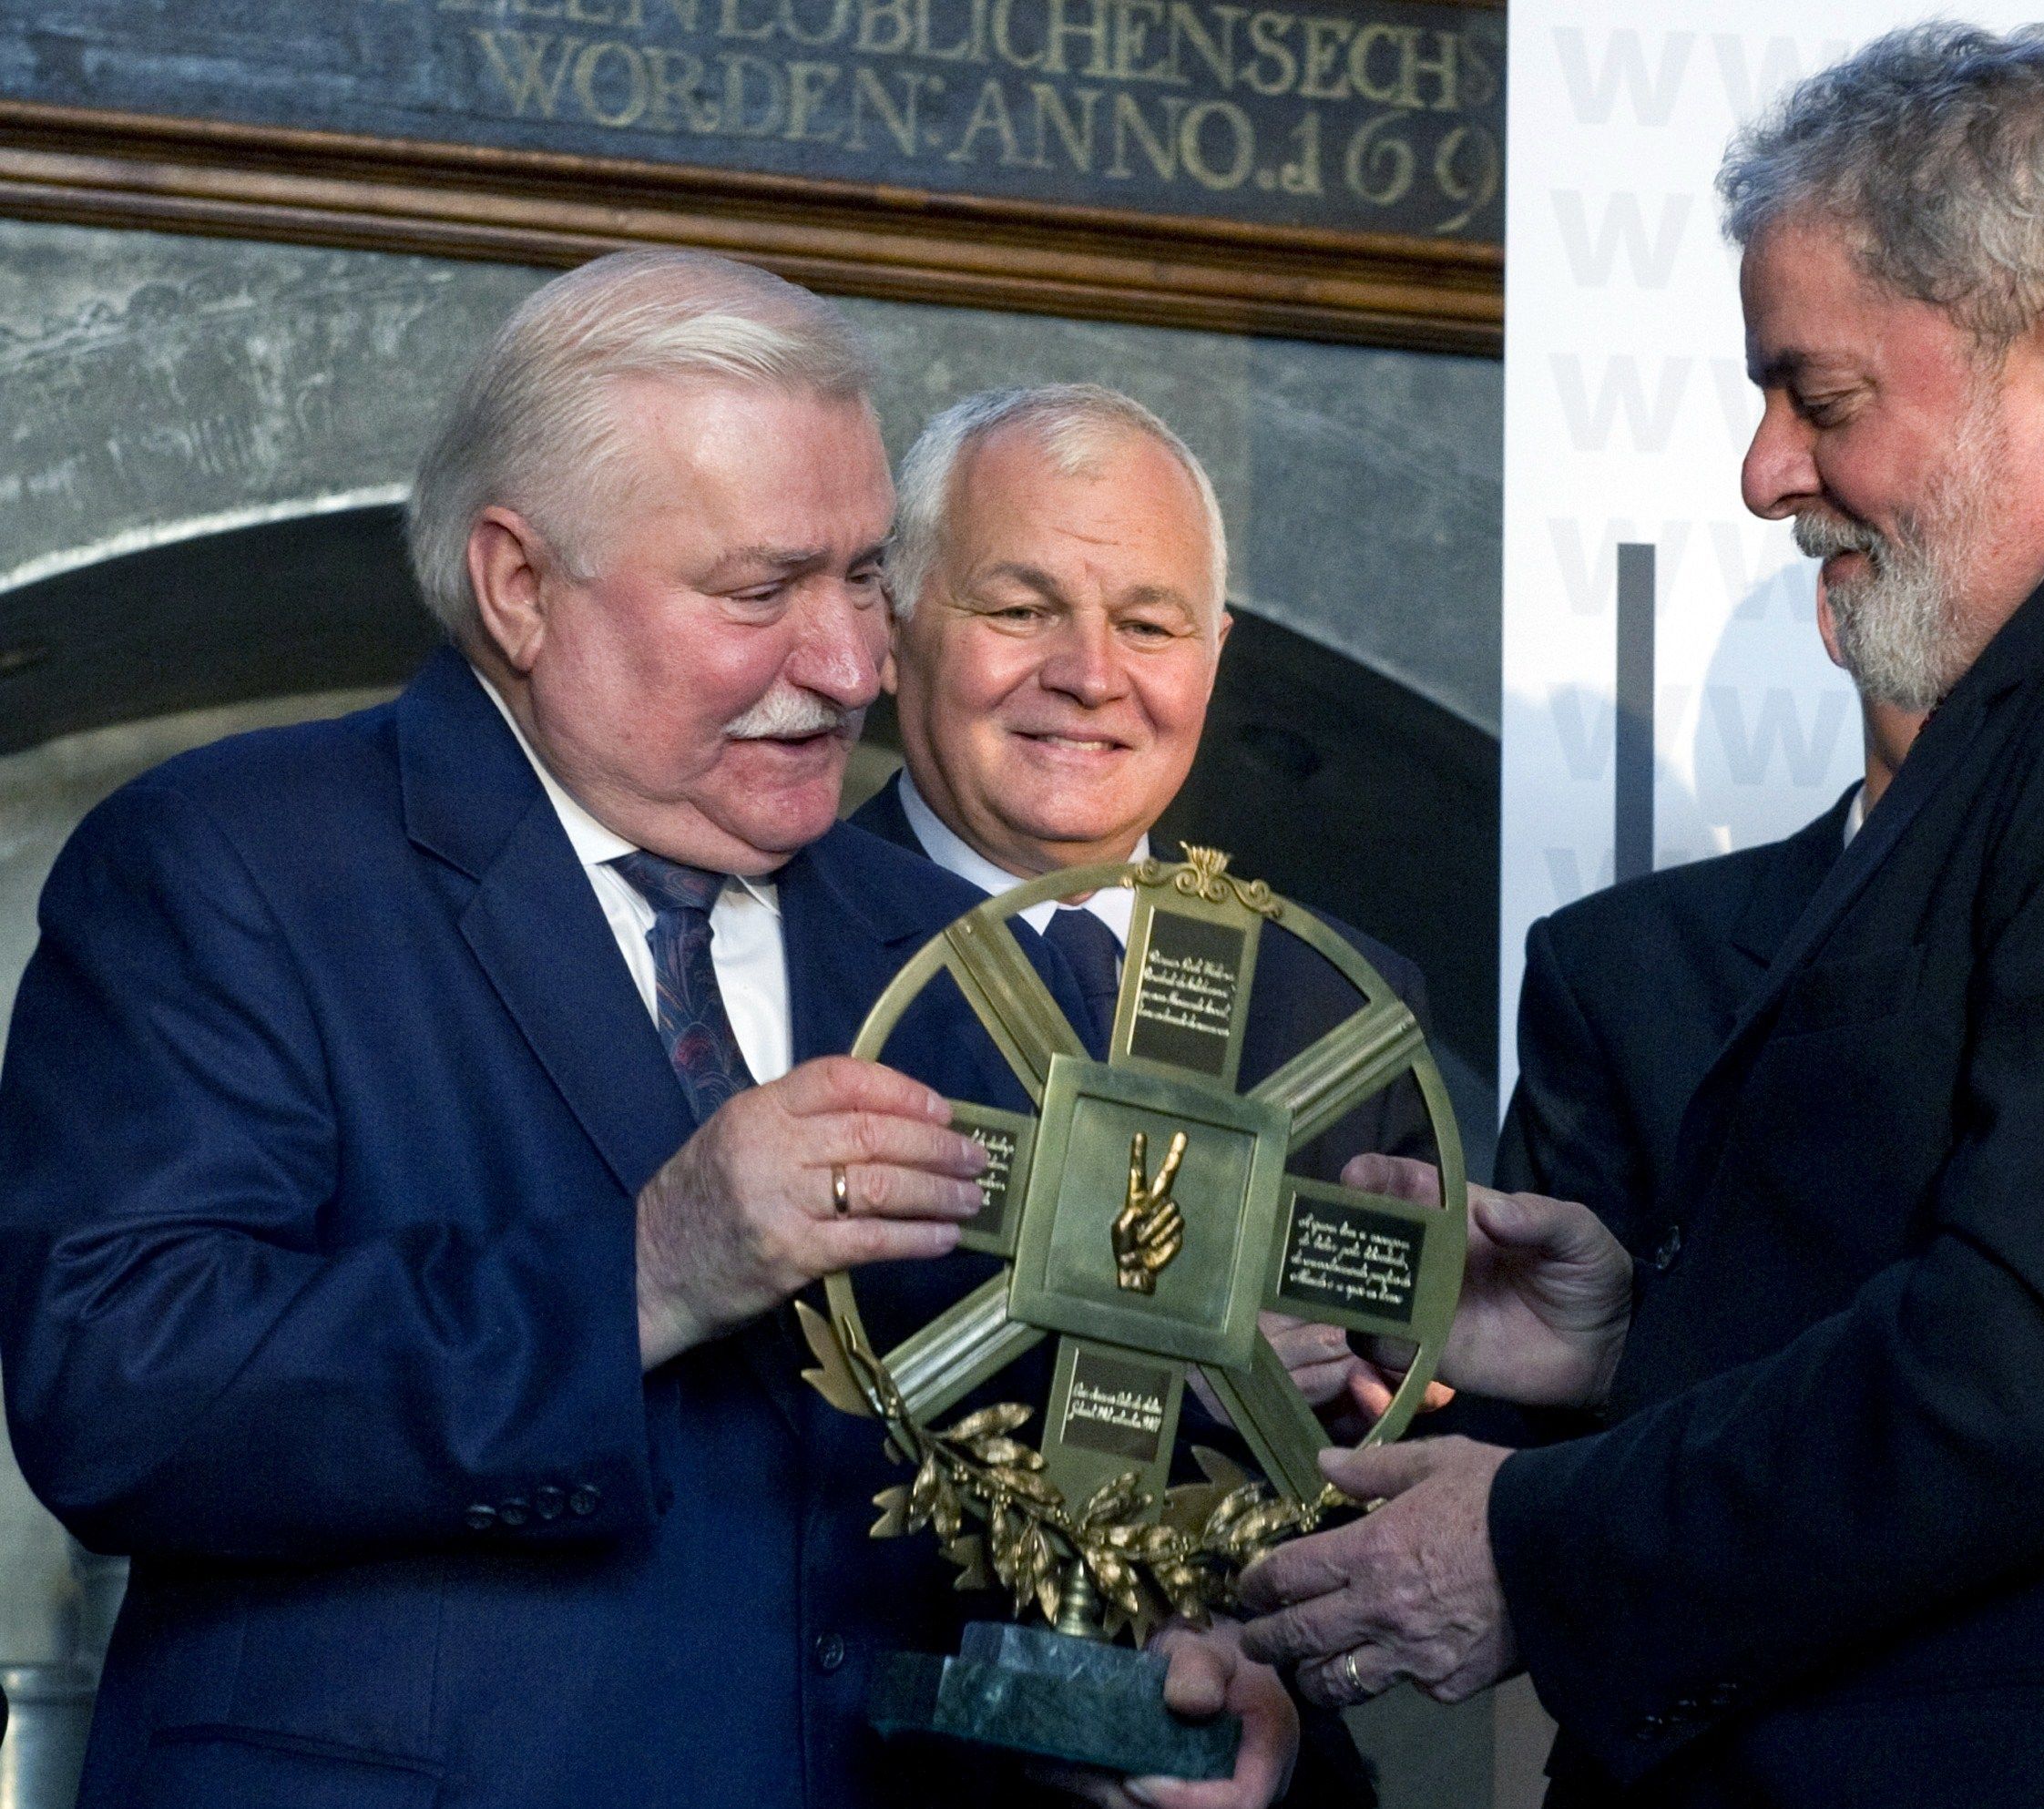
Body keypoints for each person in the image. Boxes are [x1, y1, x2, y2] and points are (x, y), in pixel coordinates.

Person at [1238, 25, 2044, 1809]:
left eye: (1820, 396)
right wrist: (1636, 1344)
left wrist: (1540, 1544)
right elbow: (2037, 1263)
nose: (1763, 473)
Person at [0, 251, 1292, 1809]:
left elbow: (967, 1491)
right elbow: (123, 1397)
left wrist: (1132, 1677)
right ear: (519, 586)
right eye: (758, 591)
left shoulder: (947, 953)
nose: (846, 665)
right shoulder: (236, 865)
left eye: (862, 576)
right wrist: (648, 1268)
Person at [853, 383, 1438, 1405]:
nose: (1090, 674)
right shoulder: (751, 948)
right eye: (1021, 611)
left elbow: (1414, 1418)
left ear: (1213, 659)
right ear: (891, 632)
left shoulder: (1344, 1007)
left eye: (1148, 626)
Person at [1497, 589, 1924, 1260]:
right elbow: (1544, 1338)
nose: (1992, 658)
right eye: (1943, 605)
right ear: (1842, 615)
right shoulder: (1619, 976)